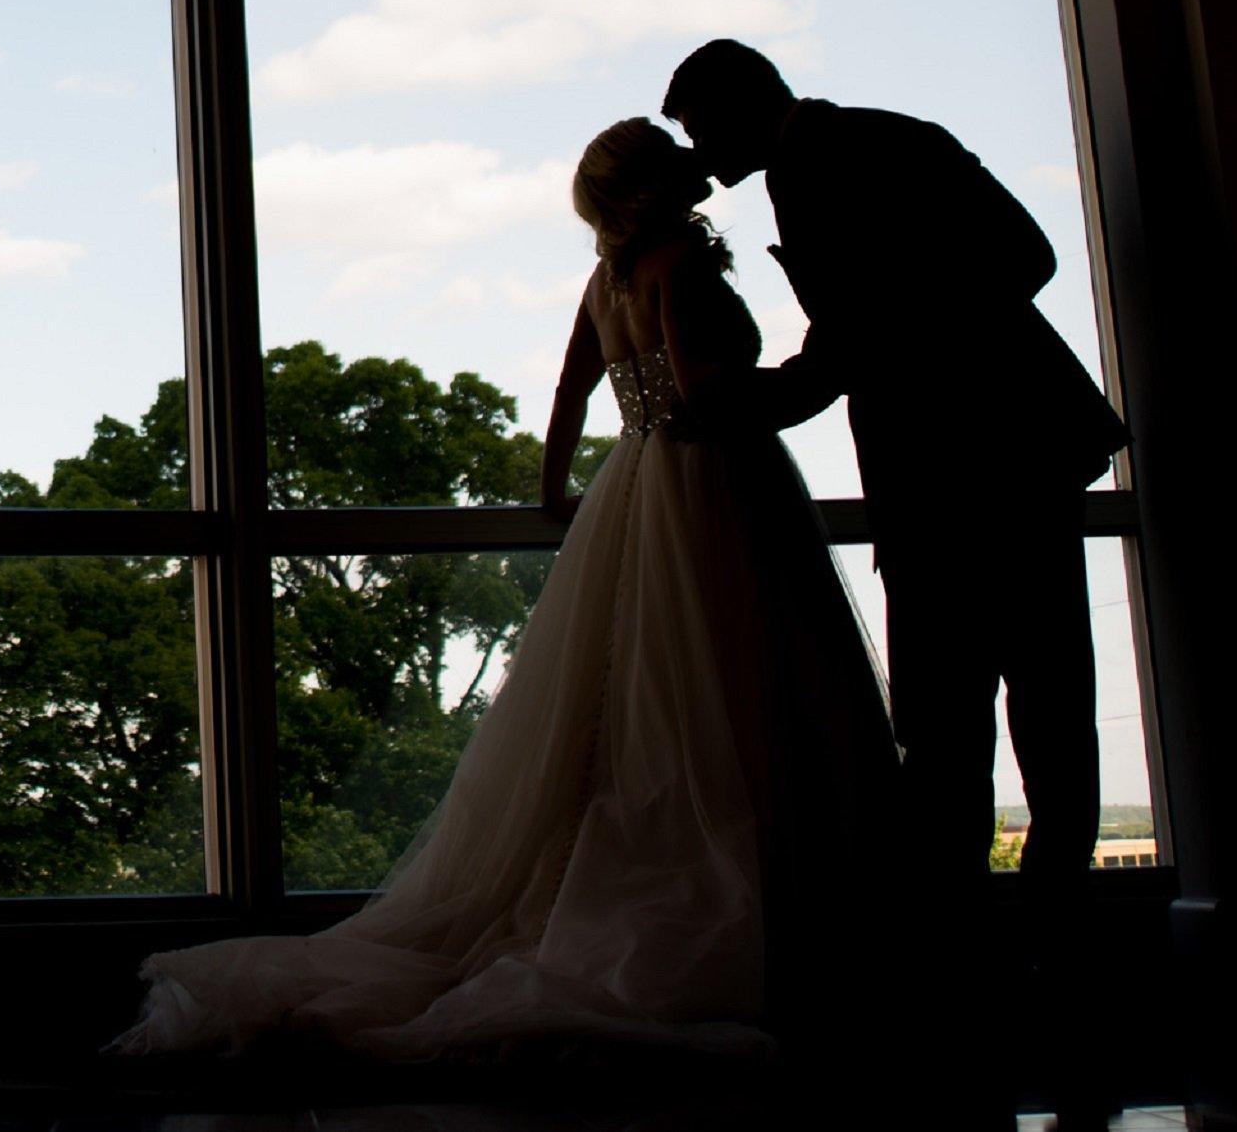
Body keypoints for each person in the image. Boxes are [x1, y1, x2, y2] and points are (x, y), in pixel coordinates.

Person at [117, 119, 891, 1060]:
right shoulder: (679, 262)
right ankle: (794, 932)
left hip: (636, 482)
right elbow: (703, 395)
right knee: (743, 688)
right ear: (651, 184)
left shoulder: (608, 278)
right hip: (715, 484)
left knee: (642, 702)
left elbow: (574, 383)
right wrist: (828, 370)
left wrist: (555, 486)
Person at [660, 37, 1129, 1123]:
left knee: (971, 727)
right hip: (985, 466)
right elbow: (965, 283)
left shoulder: (847, 155)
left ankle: (1000, 971)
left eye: (699, 130)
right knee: (1015, 718)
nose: (697, 153)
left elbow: (986, 273)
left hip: (971, 467)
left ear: (735, 111)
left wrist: (796, 386)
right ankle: (1029, 966)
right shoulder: (855, 149)